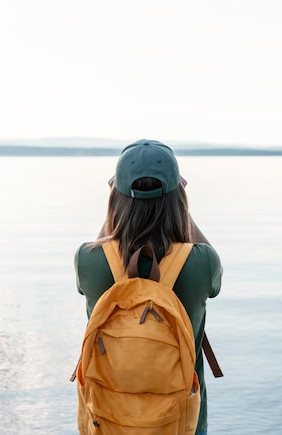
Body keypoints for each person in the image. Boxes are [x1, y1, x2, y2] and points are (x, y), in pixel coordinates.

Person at [74, 139, 222, 435]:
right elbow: (215, 281)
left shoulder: (88, 260)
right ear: (178, 196)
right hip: (181, 423)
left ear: (115, 196)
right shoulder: (201, 262)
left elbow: (99, 245)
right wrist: (179, 202)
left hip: (107, 419)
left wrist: (117, 201)